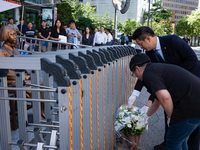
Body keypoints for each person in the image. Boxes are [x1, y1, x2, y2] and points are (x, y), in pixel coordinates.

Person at [128, 26, 200, 150]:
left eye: (141, 44)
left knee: (187, 126)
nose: (141, 48)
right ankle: (172, 140)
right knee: (176, 130)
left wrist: (176, 75)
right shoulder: (149, 56)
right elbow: (152, 83)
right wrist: (138, 96)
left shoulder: (172, 40)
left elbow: (192, 59)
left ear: (148, 38)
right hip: (176, 88)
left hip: (192, 81)